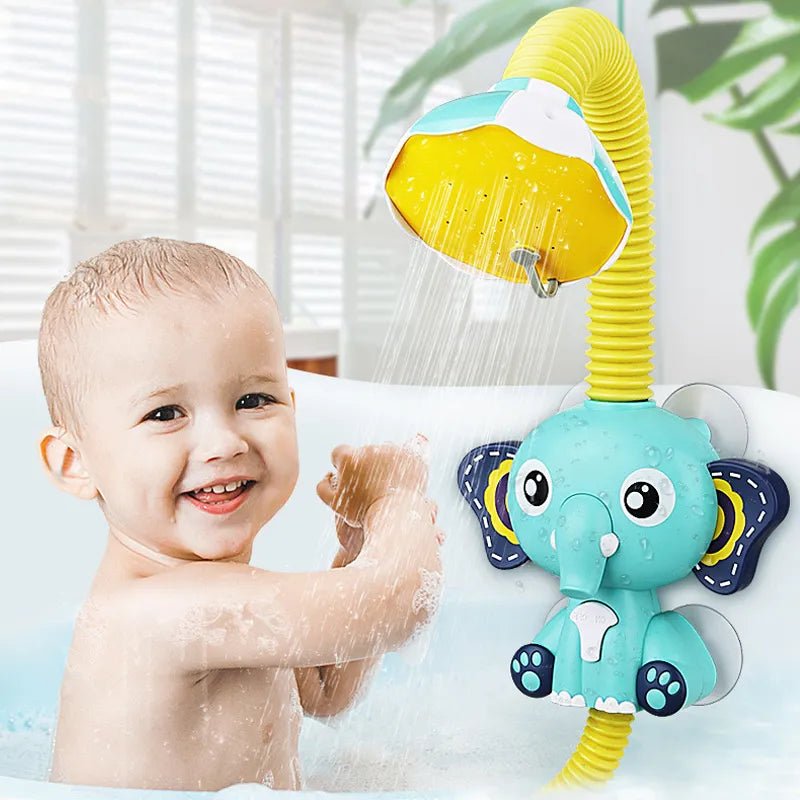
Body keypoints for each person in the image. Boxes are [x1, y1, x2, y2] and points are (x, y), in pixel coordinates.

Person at [36, 237, 443, 791]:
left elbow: (326, 691)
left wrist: (355, 552)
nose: (223, 442)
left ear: (292, 408)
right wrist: (397, 498)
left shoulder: (224, 596)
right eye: (165, 412)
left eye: (253, 400)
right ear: (75, 463)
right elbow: (396, 604)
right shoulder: (154, 611)